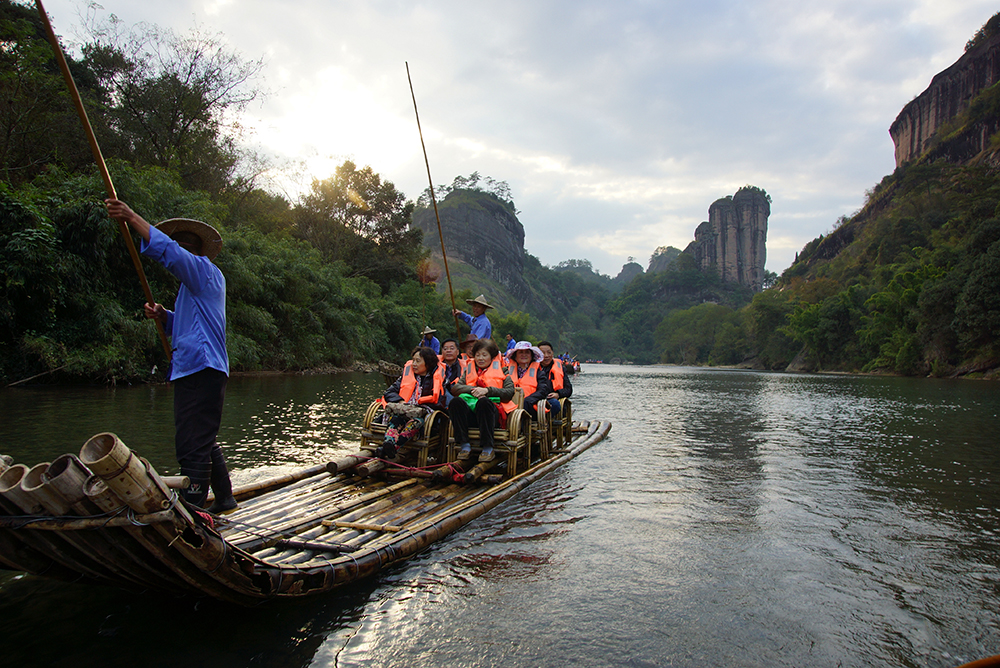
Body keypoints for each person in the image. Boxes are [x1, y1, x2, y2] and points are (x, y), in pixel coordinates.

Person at [104, 199, 236, 514]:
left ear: (194, 251)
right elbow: (191, 326)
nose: (180, 251)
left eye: (183, 246)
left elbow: (171, 253)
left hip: (201, 368)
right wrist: (165, 316)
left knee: (191, 444)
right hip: (202, 367)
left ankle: (192, 512)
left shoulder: (203, 271)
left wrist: (131, 216)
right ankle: (225, 498)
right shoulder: (195, 287)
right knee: (203, 438)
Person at [448, 339, 515, 463]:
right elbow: (456, 388)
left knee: (484, 402)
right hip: (472, 416)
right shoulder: (469, 370)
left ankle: (488, 448)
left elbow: (509, 392)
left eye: (484, 355)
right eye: (478, 355)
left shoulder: (503, 370)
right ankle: (464, 445)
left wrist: (487, 391)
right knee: (455, 402)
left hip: (491, 415)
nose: (480, 358)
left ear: (492, 357)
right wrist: (474, 390)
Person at [377, 347, 446, 459]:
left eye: (418, 361)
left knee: (416, 422)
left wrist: (418, 407)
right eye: (413, 360)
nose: (414, 364)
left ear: (428, 363)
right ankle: (389, 443)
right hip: (403, 410)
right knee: (396, 418)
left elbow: (440, 402)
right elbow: (389, 393)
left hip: (424, 416)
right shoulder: (405, 377)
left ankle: (391, 448)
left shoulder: (437, 379)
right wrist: (401, 401)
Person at [526, 340, 573, 418]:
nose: (546, 355)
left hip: (551, 401)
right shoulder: (530, 367)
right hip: (534, 399)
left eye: (549, 352)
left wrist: (558, 394)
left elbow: (569, 389)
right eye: (543, 353)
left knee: (554, 403)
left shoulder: (561, 368)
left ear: (552, 353)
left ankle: (545, 421)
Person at [505, 340, 544, 418]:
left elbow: (543, 390)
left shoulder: (539, 372)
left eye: (527, 352)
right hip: (509, 403)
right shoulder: (506, 370)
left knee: (525, 405)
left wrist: (528, 400)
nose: (524, 355)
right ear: (515, 356)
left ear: (531, 356)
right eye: (521, 352)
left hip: (530, 404)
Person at [438, 338, 468, 405]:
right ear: (442, 352)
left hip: (459, 392)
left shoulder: (466, 365)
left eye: (452, 348)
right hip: (441, 394)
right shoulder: (435, 364)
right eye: (445, 349)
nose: (448, 351)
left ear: (457, 352)